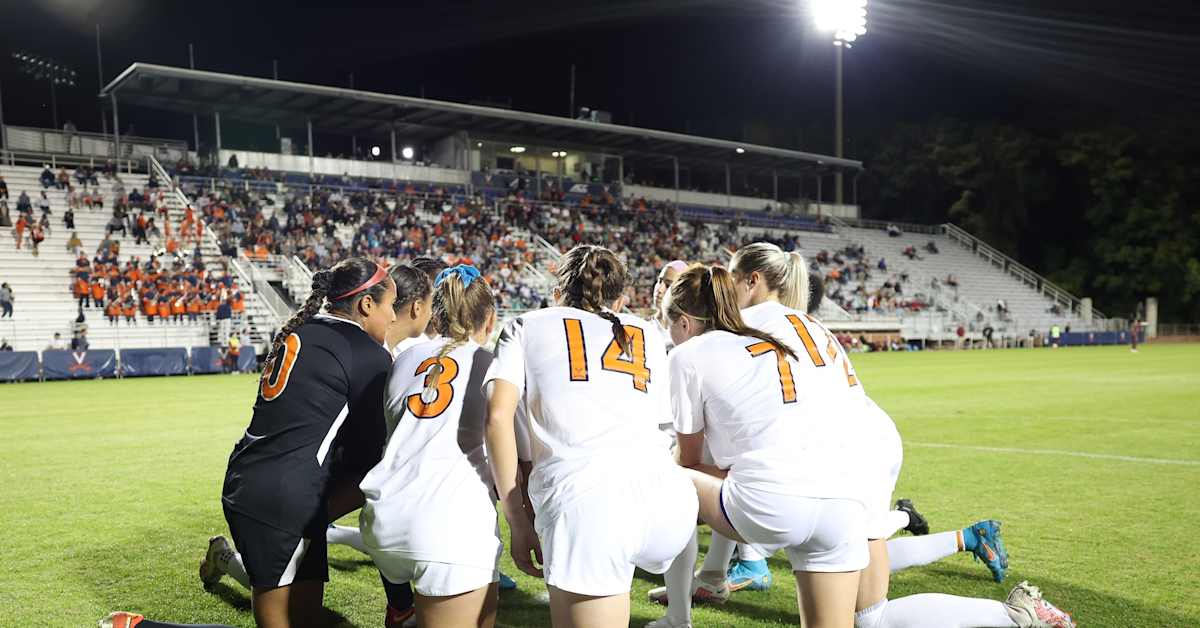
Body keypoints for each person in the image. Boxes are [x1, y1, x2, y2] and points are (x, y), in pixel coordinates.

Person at [109, 258, 398, 628]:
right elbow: (372, 462)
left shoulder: (307, 329)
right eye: (389, 305)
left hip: (257, 478)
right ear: (367, 305)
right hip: (285, 497)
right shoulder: (368, 355)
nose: (391, 318)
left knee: (307, 618)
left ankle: (225, 561)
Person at [485, 244, 699, 628]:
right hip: (669, 502)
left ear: (557, 292)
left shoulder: (525, 325)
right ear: (620, 296)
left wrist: (517, 520)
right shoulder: (647, 331)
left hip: (588, 506)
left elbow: (497, 417)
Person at [361, 264, 502, 628]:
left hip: (386, 516)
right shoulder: (490, 364)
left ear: (433, 316)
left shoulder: (405, 358)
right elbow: (504, 443)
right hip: (447, 523)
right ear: (490, 319)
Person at [651, 260, 690, 351]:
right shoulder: (644, 327)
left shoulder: (692, 334)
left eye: (668, 285)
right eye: (659, 281)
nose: (660, 289)